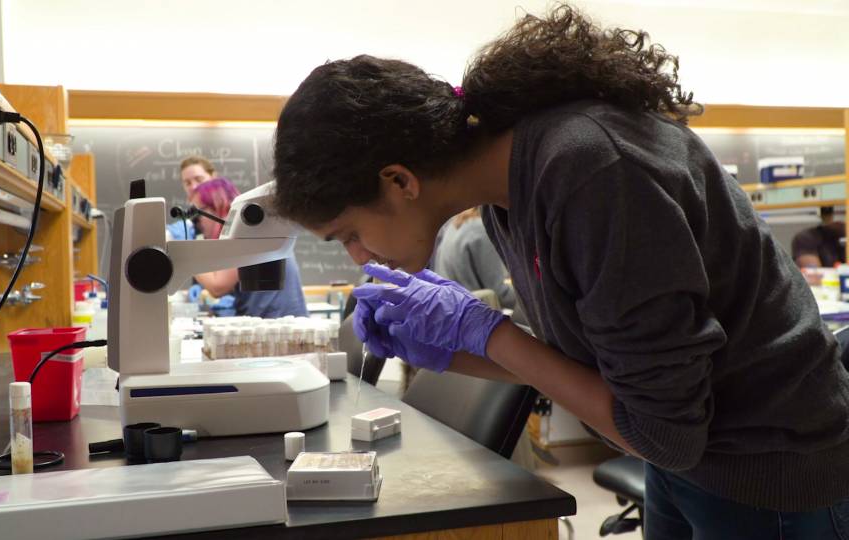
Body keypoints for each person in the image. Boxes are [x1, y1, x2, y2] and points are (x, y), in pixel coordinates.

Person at [270, 6, 849, 539]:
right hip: (691, 460)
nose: (358, 258)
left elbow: (664, 432)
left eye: (349, 234)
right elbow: (576, 372)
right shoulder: (508, 196)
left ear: (398, 180)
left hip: (770, 468)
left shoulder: (590, 170)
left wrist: (486, 331)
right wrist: (447, 352)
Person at [191, 179, 308, 318]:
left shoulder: (248, 231)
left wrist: (185, 255)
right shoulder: (250, 229)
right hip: (270, 319)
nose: (195, 222)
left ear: (218, 206)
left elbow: (218, 286)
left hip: (282, 323)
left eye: (198, 213)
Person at [433, 208, 516, 310]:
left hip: (452, 311)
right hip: (473, 315)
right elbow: (502, 295)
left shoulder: (455, 224)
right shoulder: (481, 228)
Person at [167, 156, 217, 241]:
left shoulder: (238, 212)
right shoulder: (185, 229)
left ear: (213, 177)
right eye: (187, 183)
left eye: (199, 179)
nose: (194, 187)